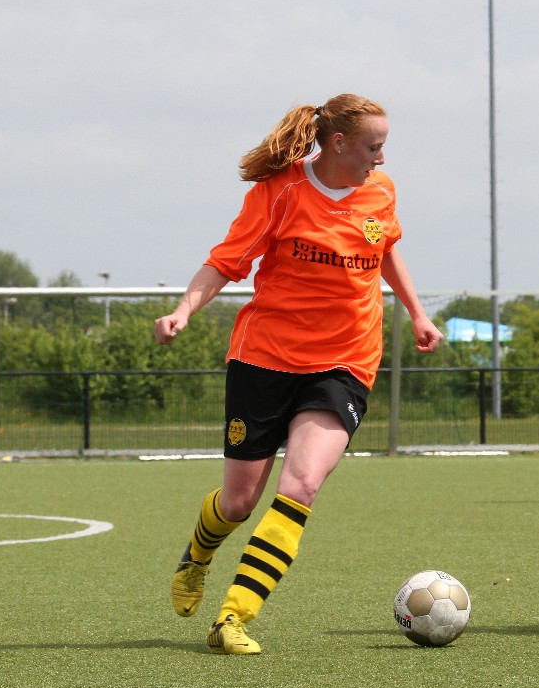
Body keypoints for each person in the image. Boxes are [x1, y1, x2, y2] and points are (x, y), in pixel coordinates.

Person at [153, 93, 443, 655]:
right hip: (264, 358)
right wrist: (184, 310)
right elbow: (224, 262)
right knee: (238, 503)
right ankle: (198, 555)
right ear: (338, 143)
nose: (382, 158)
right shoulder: (279, 191)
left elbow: (385, 249)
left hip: (345, 361)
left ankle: (233, 618)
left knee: (301, 484)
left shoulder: (381, 190)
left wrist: (417, 312)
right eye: (373, 146)